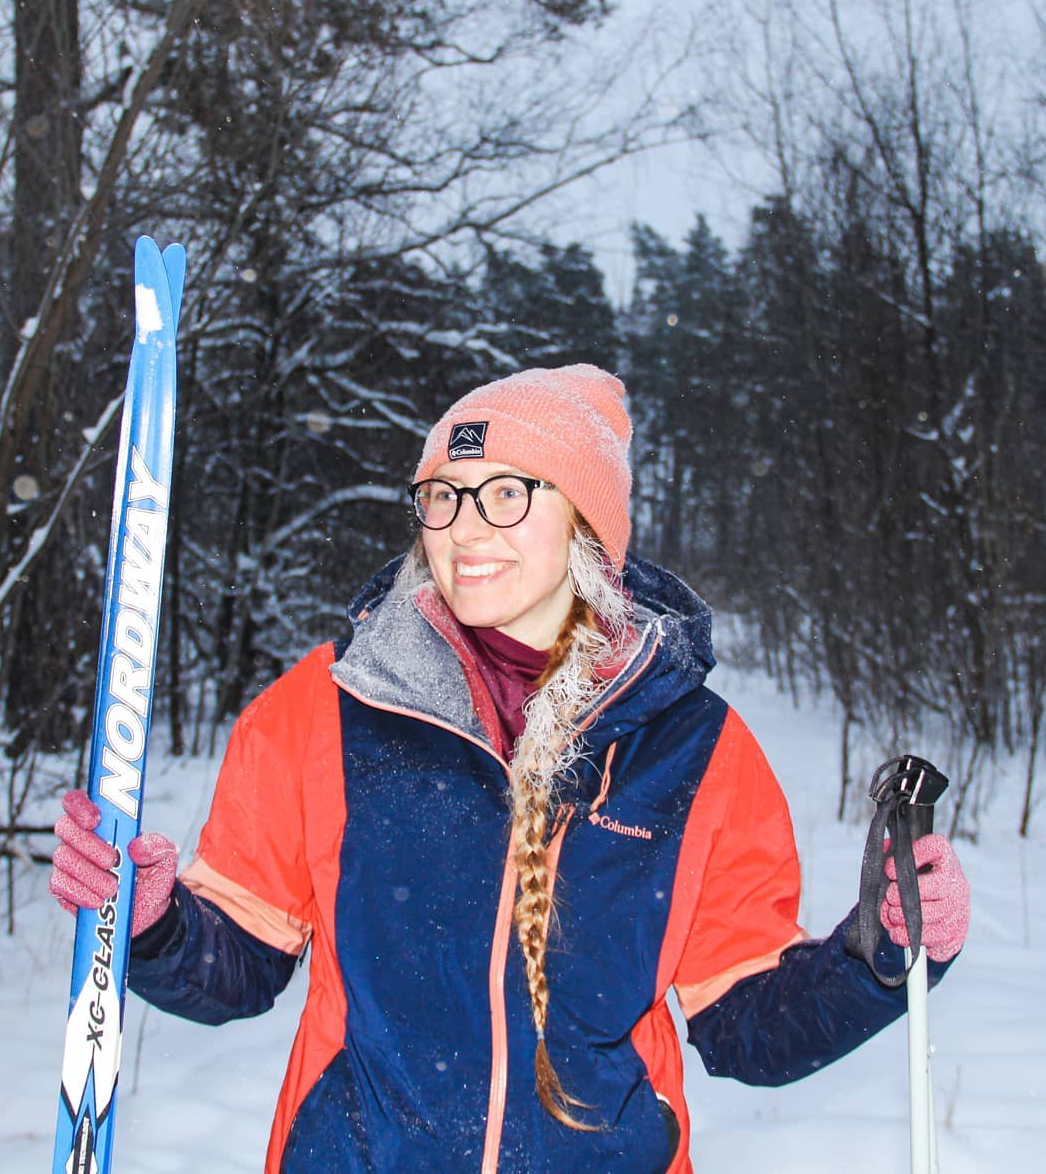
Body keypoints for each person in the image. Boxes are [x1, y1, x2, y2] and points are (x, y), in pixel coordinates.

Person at [50, 364, 971, 1174]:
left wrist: (881, 956)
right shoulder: (325, 711)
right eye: (442, 495)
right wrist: (153, 919)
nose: (463, 527)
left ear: (588, 523)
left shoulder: (697, 755)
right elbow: (238, 966)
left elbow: (745, 1019)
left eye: (506, 493)